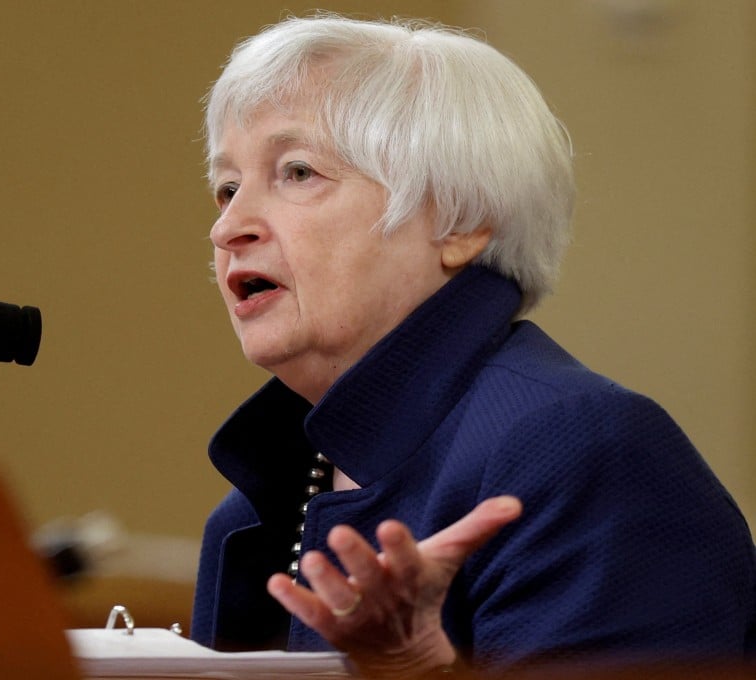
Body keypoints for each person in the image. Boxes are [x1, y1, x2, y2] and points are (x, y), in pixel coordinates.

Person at [189, 12, 756, 678]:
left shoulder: (582, 449)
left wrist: (423, 671)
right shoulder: (252, 511)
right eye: (227, 188)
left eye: (298, 172)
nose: (228, 227)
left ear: (461, 220)